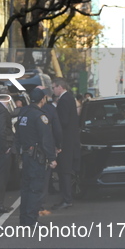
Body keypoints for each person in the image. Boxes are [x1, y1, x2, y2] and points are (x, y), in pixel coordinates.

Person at [14, 88, 57, 227]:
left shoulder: (23, 113)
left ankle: (23, 220)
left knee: (26, 189)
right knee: (35, 189)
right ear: (43, 99)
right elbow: (46, 138)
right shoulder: (39, 116)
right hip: (36, 157)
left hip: (26, 155)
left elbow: (17, 135)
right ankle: (31, 221)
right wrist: (51, 158)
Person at [51, 78, 80, 210]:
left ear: (60, 87)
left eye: (54, 87)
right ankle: (66, 198)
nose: (53, 90)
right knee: (65, 171)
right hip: (71, 140)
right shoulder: (69, 98)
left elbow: (63, 121)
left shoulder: (63, 100)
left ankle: (67, 199)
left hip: (65, 141)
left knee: (64, 171)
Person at [35, 86, 62, 216]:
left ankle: (32, 205)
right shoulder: (49, 110)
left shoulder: (25, 111)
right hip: (44, 149)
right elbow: (56, 130)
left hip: (30, 150)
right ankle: (39, 206)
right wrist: (57, 146)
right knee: (44, 179)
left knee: (31, 179)